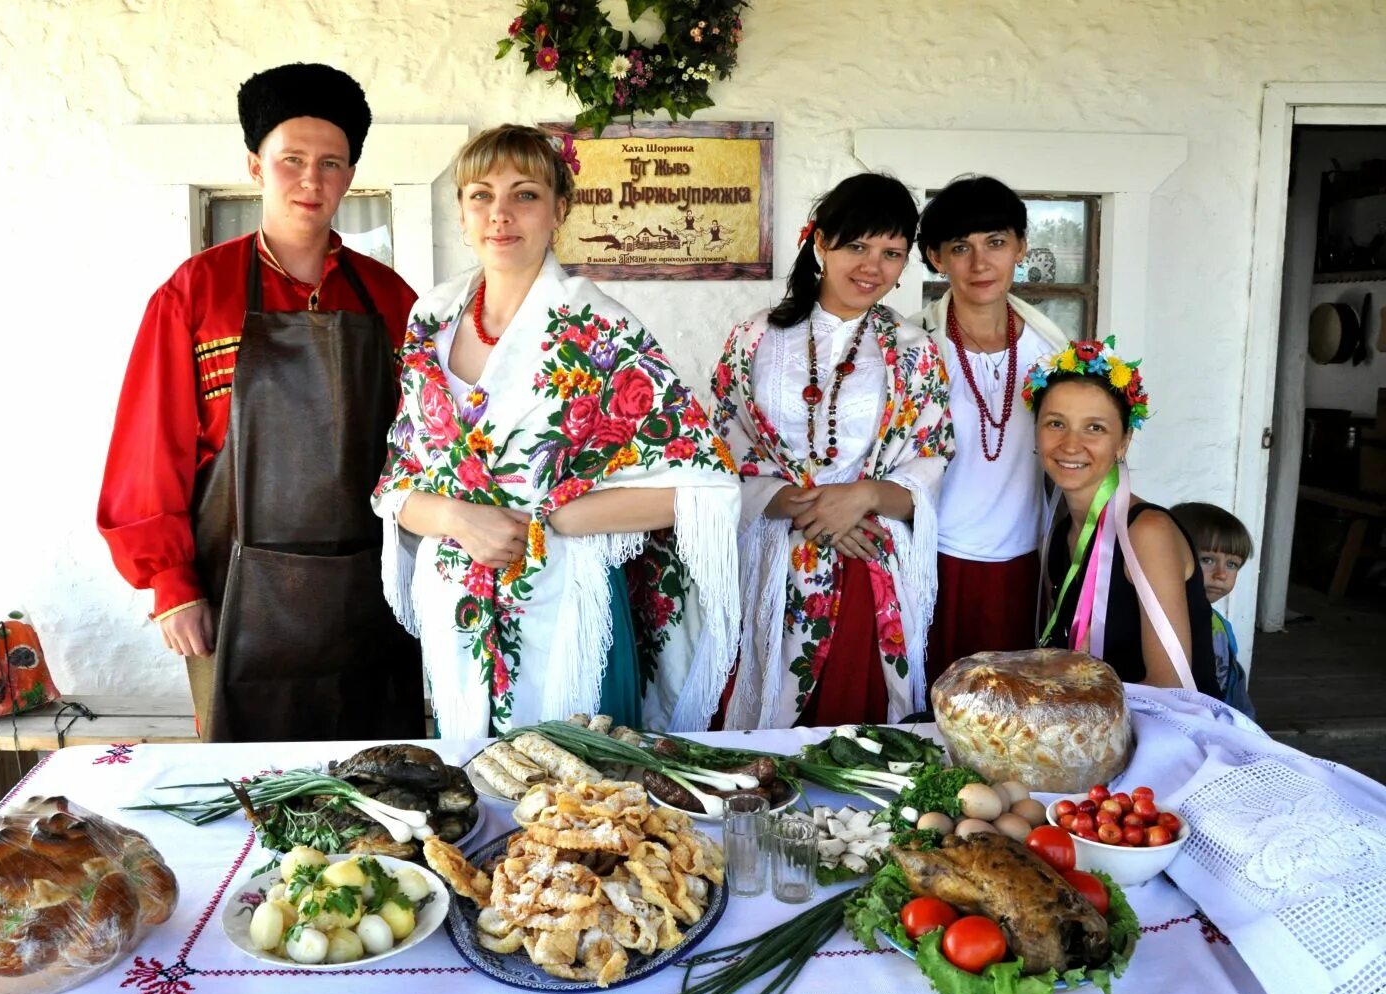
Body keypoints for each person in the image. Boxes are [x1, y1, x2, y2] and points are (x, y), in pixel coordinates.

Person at [371, 125, 739, 740]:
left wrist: (557, 517)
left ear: (559, 209)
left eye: (525, 195)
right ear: (461, 211)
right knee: (477, 800)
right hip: (454, 612)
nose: (500, 214)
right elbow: (400, 481)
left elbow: (706, 487)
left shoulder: (598, 326)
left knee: (578, 808)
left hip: (565, 605)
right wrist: (461, 520)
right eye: (481, 195)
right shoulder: (429, 317)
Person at [97, 63, 426, 742]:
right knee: (248, 791)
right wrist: (172, 586)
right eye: (292, 160)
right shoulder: (195, 294)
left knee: (379, 782)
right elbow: (148, 449)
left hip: (374, 598)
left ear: (351, 173)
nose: (312, 180)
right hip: (232, 598)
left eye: (332, 163)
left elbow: (426, 449)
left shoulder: (391, 299)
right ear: (255, 165)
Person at [711, 174, 954, 729]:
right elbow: (723, 443)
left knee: (855, 738)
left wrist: (864, 494)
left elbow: (931, 455)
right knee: (761, 736)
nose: (872, 266)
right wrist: (811, 509)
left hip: (867, 563)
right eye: (857, 246)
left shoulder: (915, 353)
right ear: (821, 242)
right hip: (771, 557)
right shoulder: (753, 340)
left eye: (892, 253)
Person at [917, 176, 1069, 679]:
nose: (980, 264)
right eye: (961, 247)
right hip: (931, 558)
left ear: (1021, 247)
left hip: (1022, 562)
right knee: (927, 704)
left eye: (996, 243)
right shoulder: (913, 347)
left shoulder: (1053, 351)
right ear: (938, 258)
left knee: (1010, 708)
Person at [1032, 340, 1222, 696]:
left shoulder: (1147, 533)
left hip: (1164, 734)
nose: (1071, 445)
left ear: (1124, 441)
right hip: (1092, 728)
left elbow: (1172, 686)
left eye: (1095, 428)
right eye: (1056, 423)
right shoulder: (1058, 537)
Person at [1170, 502, 1256, 716]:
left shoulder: (1221, 626)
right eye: (1207, 559)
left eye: (1232, 564)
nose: (1221, 575)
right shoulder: (1159, 622)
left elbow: (1234, 694)